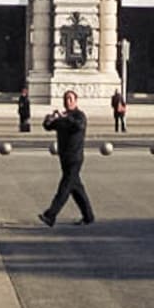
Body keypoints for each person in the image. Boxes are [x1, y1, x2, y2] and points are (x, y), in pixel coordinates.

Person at [37, 90, 95, 228]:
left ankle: (50, 215)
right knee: (76, 188)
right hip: (64, 158)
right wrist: (50, 118)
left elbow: (78, 126)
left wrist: (65, 117)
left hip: (75, 158)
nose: (67, 101)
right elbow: (47, 126)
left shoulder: (79, 116)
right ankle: (88, 216)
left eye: (70, 99)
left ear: (76, 101)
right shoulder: (62, 118)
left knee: (64, 189)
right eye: (65, 99)